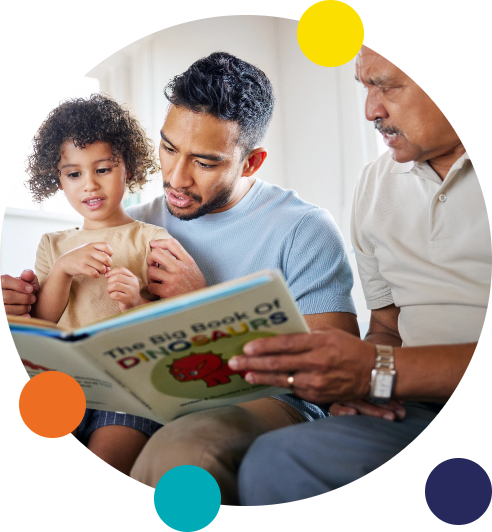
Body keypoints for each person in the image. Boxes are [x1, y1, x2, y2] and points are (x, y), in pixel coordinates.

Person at [2, 52, 359, 505]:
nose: (174, 177)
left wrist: (204, 300)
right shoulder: (138, 223)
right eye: (169, 148)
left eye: (205, 162)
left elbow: (334, 371)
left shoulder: (303, 228)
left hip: (268, 400)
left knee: (184, 451)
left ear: (250, 163)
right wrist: (20, 302)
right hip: (139, 392)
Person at [229, 45, 491, 505]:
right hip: (410, 408)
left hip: (409, 387)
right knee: (277, 459)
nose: (372, 109)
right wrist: (360, 383)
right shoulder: (375, 183)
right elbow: (387, 326)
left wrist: (378, 371)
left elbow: (384, 363)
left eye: (388, 86)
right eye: (366, 87)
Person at [21, 93, 173, 476]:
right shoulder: (52, 246)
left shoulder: (152, 237)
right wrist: (60, 272)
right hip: (60, 383)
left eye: (103, 169)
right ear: (57, 179)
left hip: (128, 388)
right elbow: (41, 321)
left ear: (129, 167)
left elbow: (172, 326)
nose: (89, 185)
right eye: (74, 174)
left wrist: (136, 304)